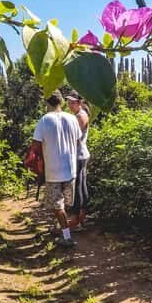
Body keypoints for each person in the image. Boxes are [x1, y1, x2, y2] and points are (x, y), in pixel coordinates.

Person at [30, 89, 81, 247]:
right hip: (70, 169)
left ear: (47, 103)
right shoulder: (72, 118)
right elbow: (79, 141)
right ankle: (59, 229)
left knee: (57, 206)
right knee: (63, 204)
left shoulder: (44, 120)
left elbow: (35, 146)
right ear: (61, 102)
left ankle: (66, 237)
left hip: (53, 171)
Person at [65, 90, 90, 229]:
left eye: (72, 102)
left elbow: (75, 138)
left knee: (77, 186)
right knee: (82, 185)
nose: (69, 104)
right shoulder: (78, 115)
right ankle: (82, 216)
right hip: (81, 154)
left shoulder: (80, 116)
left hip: (79, 155)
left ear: (79, 103)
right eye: (68, 102)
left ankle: (76, 219)